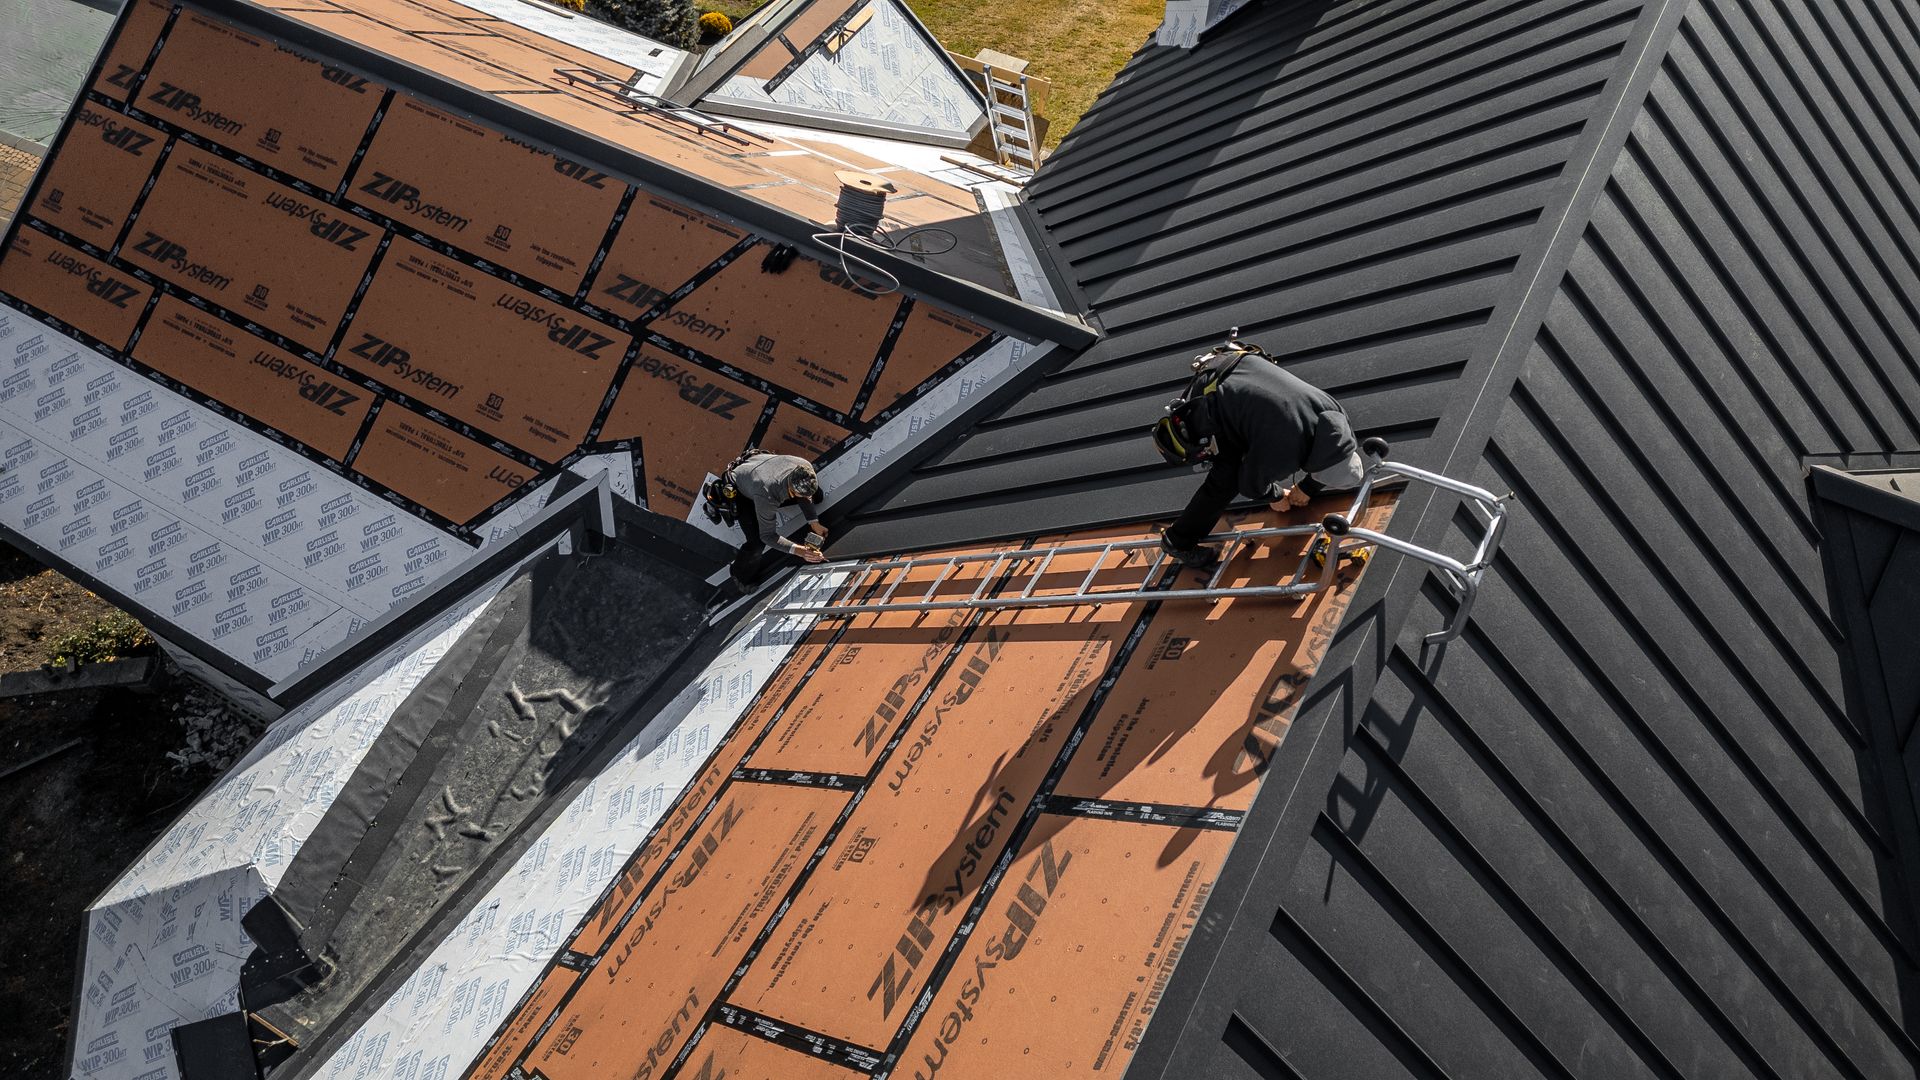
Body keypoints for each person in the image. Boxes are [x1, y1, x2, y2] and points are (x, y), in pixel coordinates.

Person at [1151, 341, 1364, 568]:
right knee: (1228, 478)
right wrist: (1276, 496)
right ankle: (1178, 542)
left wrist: (1307, 488)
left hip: (1236, 366)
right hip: (1214, 393)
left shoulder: (1335, 416)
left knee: (1245, 449)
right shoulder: (1286, 451)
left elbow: (1329, 459)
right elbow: (1250, 486)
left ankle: (1180, 538)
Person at [723, 451, 828, 586]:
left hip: (758, 465)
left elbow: (805, 496)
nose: (806, 497)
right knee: (756, 543)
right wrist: (799, 551)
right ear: (791, 489)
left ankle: (810, 514)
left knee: (817, 496)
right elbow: (767, 536)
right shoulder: (767, 496)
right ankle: (740, 575)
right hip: (743, 490)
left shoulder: (804, 465)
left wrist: (814, 522)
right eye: (799, 494)